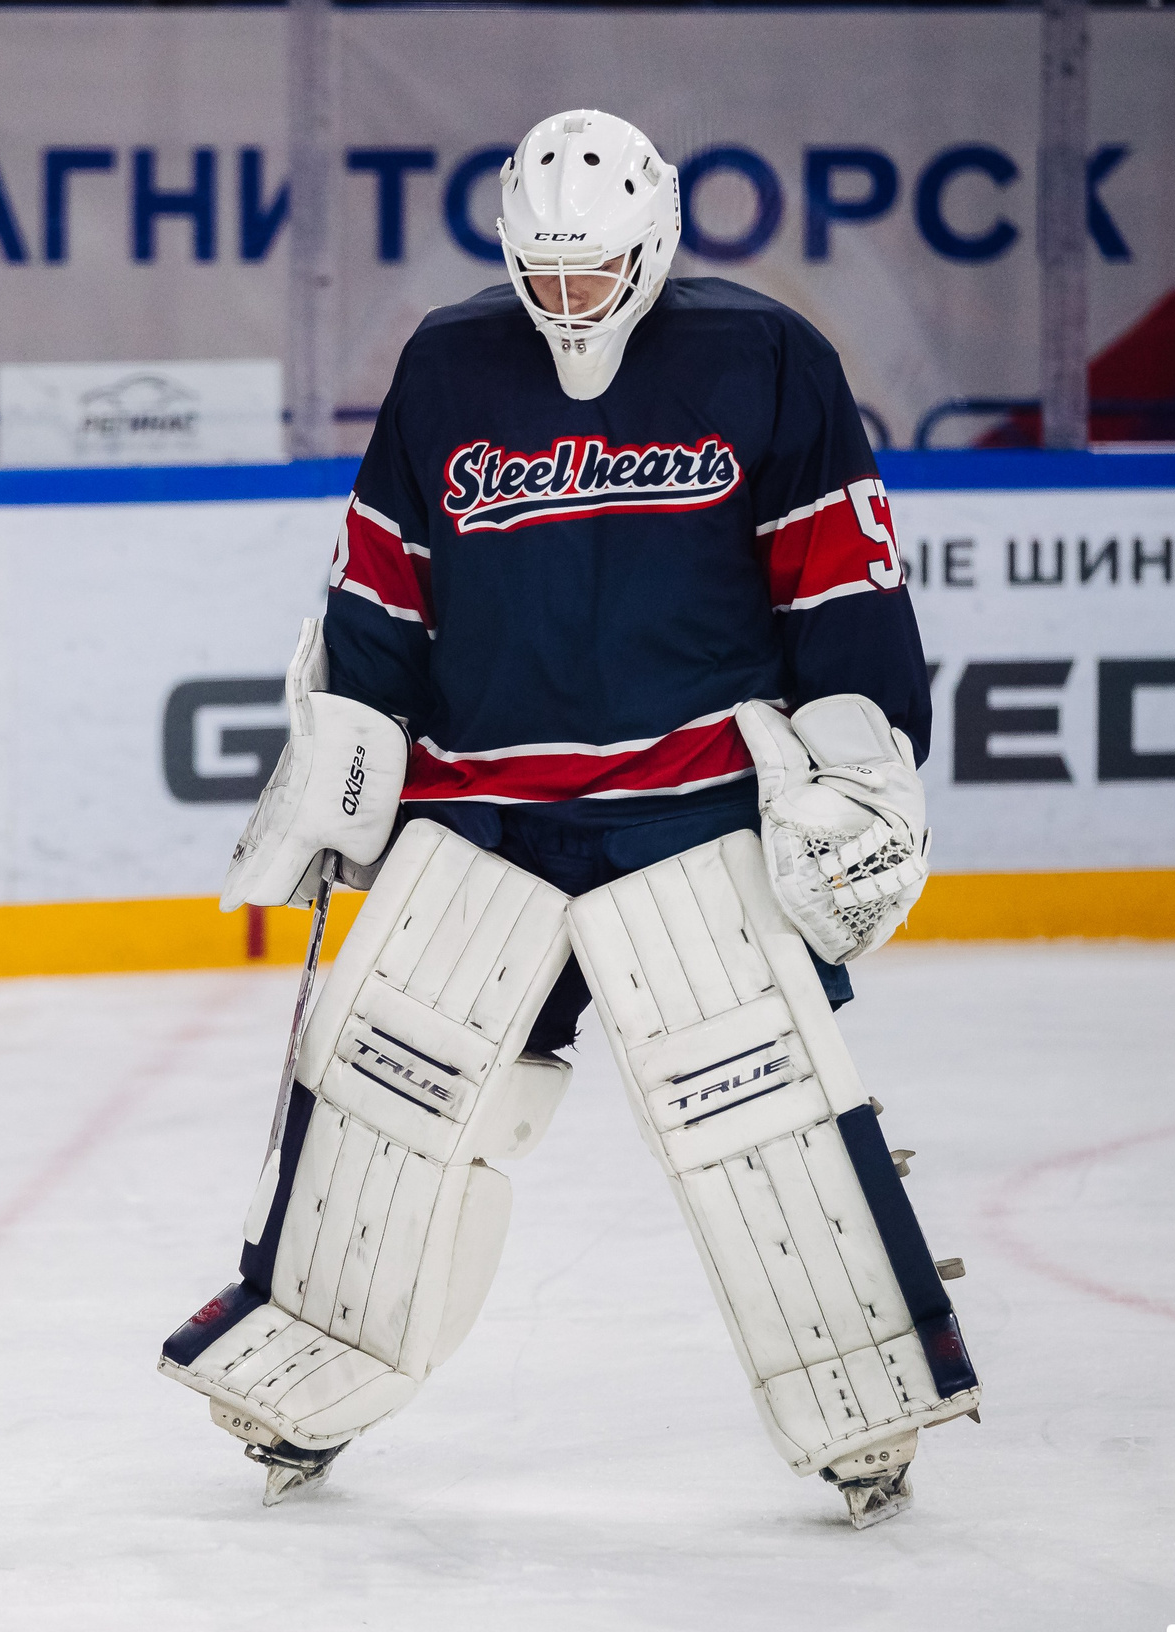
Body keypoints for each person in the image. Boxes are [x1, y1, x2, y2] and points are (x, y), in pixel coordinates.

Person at [158, 109, 978, 1526]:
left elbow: (843, 582)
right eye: (543, 277)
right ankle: (311, 1377)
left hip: (693, 809)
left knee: (763, 1126)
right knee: (378, 1106)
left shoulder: (763, 356)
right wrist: (345, 762)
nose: (567, 301)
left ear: (650, 242)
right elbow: (380, 587)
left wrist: (861, 753)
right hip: (483, 812)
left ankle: (869, 1406)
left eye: (591, 275)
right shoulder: (449, 364)